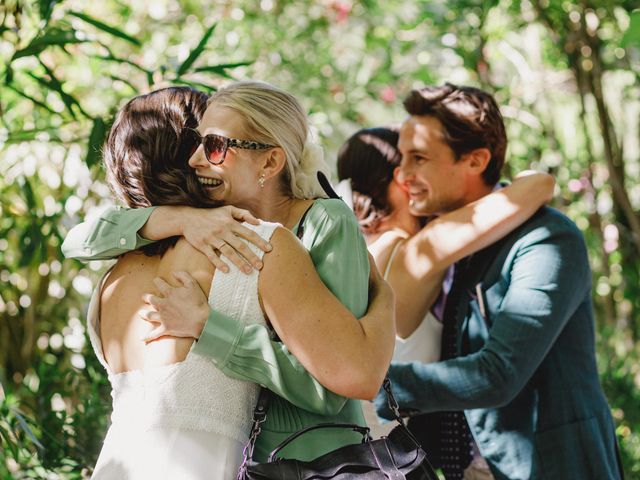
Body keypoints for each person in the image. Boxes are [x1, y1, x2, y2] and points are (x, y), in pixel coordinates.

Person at [63, 81, 395, 463]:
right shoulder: (209, 234)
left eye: (214, 146)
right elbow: (76, 240)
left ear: (270, 162)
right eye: (197, 144)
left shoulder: (319, 223)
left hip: (311, 459)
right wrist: (178, 218)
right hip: (240, 460)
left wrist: (386, 299)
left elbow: (342, 380)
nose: (196, 160)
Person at [373, 84, 623, 480]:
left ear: (476, 160)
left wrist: (370, 383)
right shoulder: (441, 239)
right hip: (465, 469)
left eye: (418, 158)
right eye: (402, 158)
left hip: (547, 466)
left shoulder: (547, 239)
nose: (403, 175)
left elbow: (497, 375)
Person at [336, 126, 555, 440]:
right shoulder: (411, 248)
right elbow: (538, 186)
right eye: (409, 166)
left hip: (356, 444)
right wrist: (525, 179)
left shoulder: (355, 247)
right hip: (374, 450)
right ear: (398, 179)